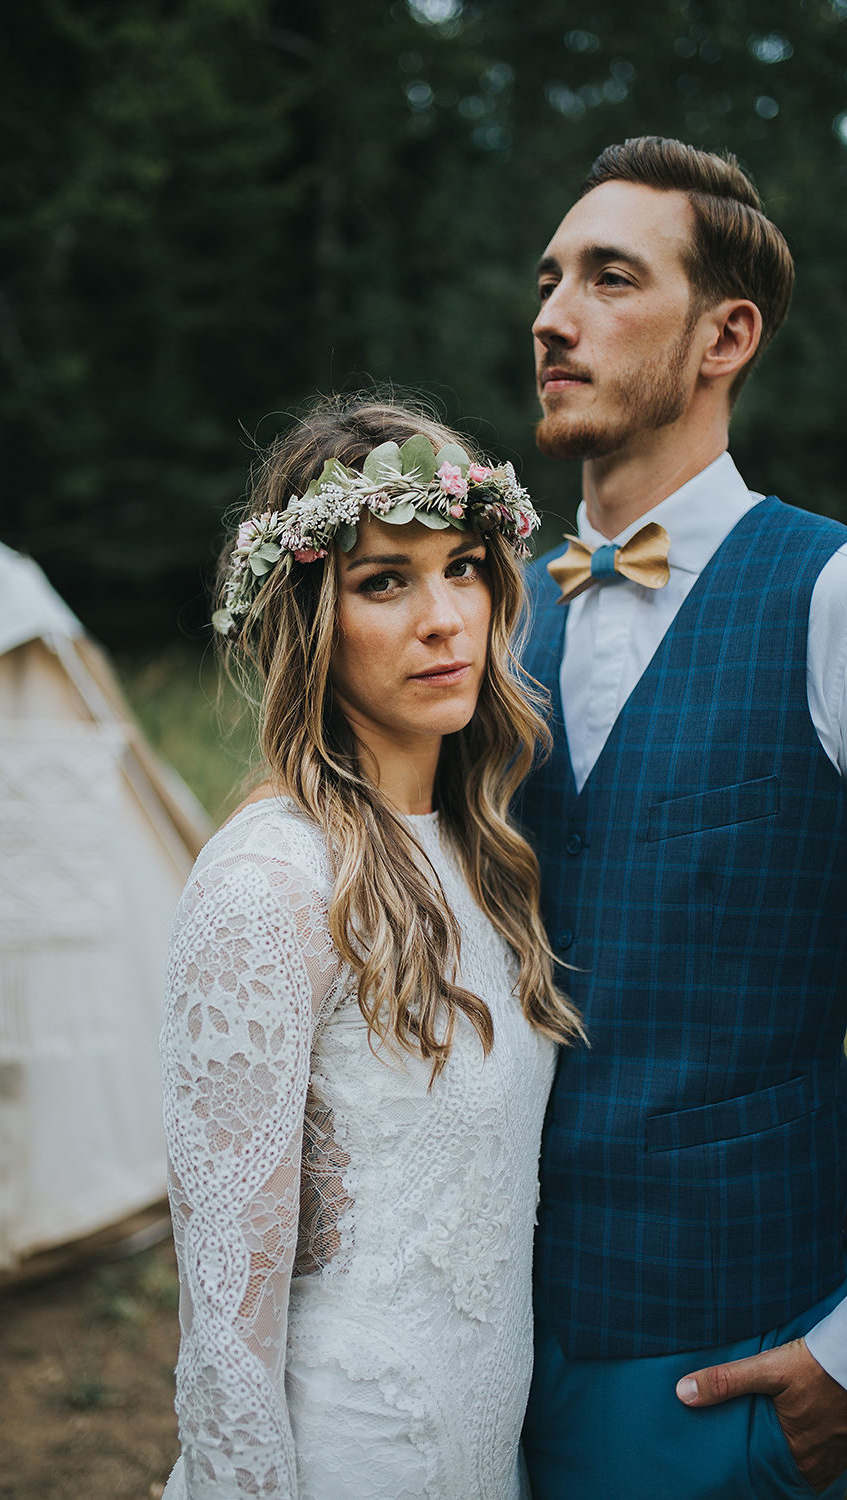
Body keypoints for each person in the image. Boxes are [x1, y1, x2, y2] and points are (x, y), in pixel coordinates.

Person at [158, 397, 585, 1499]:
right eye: (383, 582)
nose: (444, 618)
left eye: (463, 568)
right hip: (351, 1457)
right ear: (308, 615)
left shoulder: (487, 851)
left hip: (489, 1449)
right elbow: (224, 1325)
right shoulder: (269, 887)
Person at [517, 135, 847, 1500]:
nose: (551, 315)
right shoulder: (487, 617)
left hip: (733, 1374)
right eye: (547, 279)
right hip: (487, 1363)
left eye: (608, 278)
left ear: (726, 336)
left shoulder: (827, 596)